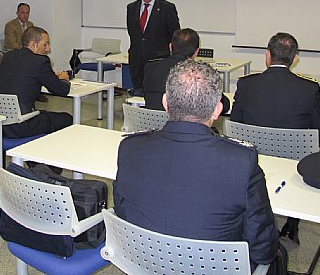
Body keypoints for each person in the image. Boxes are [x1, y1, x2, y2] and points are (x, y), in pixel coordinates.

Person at [114, 60, 284, 274]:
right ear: (217, 110)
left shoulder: (130, 148)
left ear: (165, 102)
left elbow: (123, 212)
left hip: (145, 264)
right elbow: (263, 250)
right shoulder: (241, 161)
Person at [231, 31, 320, 248]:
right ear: (295, 58)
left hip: (253, 160)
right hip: (294, 165)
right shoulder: (309, 89)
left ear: (267, 56)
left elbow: (234, 130)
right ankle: (291, 225)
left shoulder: (245, 85)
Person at [0, 26, 72, 138]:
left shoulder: (7, 57)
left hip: (0, 122)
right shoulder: (40, 61)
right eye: (45, 44)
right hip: (23, 124)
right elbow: (62, 90)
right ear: (33, 44)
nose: (48, 49)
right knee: (67, 118)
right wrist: (64, 78)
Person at [143, 28, 230, 114]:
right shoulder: (198, 74)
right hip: (184, 126)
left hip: (152, 124)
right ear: (197, 52)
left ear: (170, 47)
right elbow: (224, 105)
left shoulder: (150, 68)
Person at [126, 0, 180, 95]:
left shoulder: (167, 8)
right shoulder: (131, 8)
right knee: (138, 96)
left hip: (158, 62)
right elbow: (133, 34)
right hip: (137, 61)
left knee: (155, 98)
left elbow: (175, 36)